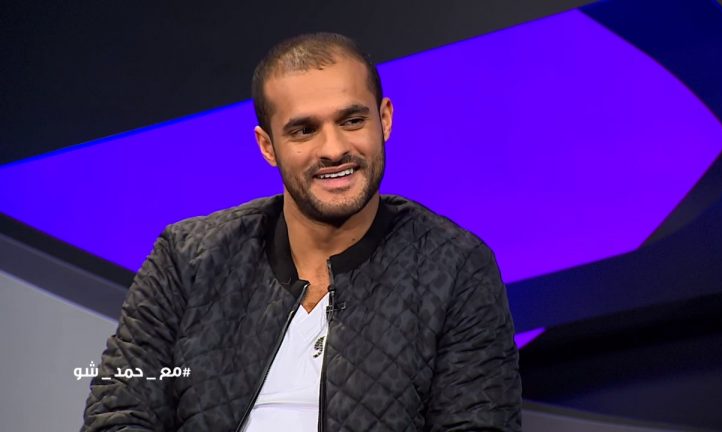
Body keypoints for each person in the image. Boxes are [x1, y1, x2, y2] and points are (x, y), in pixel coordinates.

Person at [82, 32, 521, 431]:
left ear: (384, 119)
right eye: (304, 130)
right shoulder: (186, 259)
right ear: (268, 146)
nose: (333, 149)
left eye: (352, 121)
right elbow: (119, 414)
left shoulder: (456, 267)